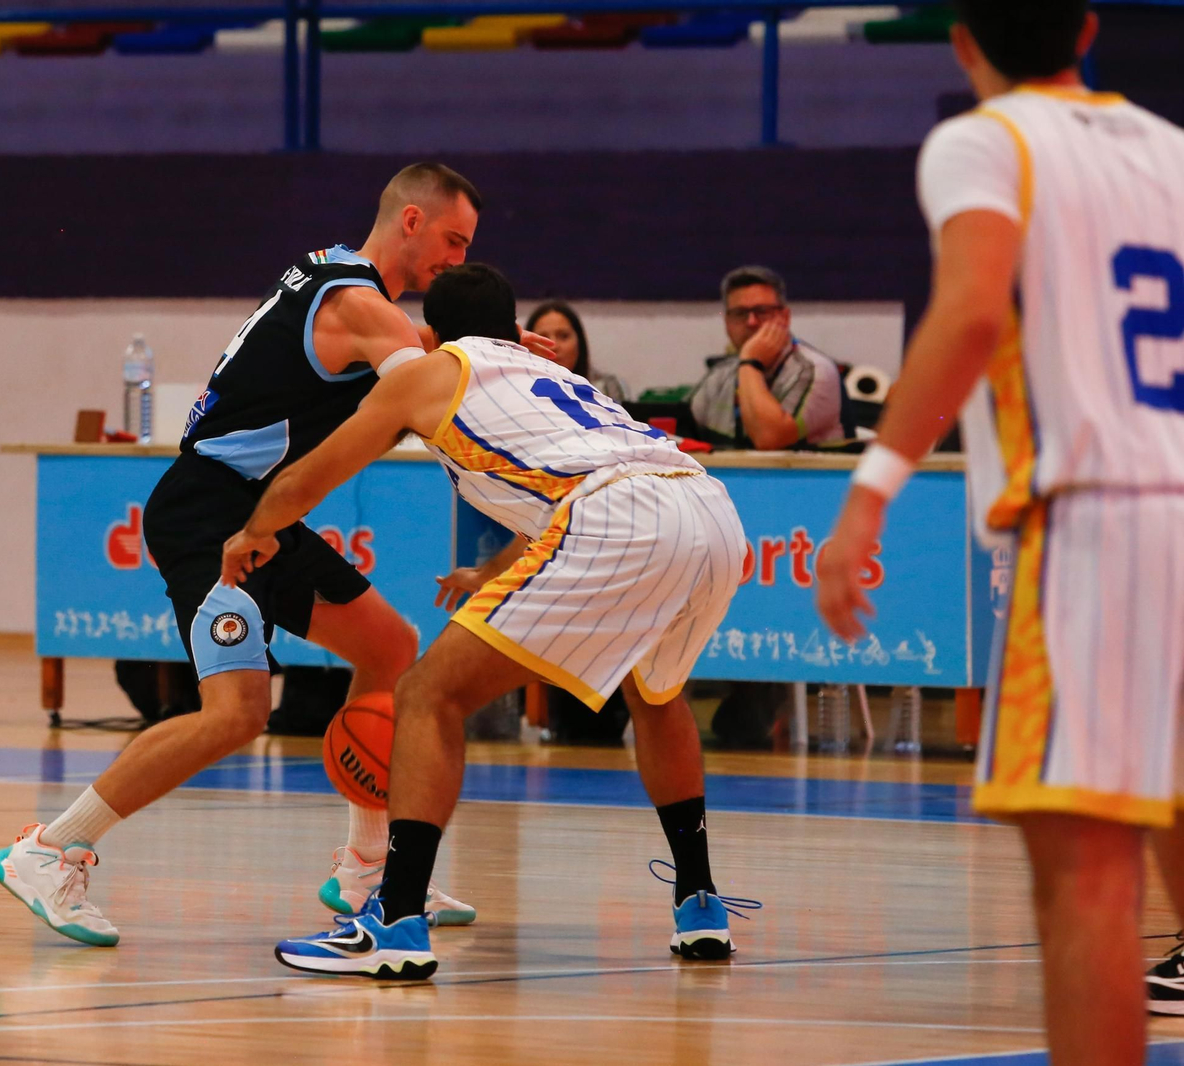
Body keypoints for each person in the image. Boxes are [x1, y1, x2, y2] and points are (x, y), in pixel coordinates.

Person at [0, 164, 558, 945]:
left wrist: (492, 347)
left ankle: (364, 867)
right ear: (413, 222)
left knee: (389, 645)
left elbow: (423, 349)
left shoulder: (343, 280)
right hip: (207, 514)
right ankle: (51, 848)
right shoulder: (362, 306)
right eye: (453, 241)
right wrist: (511, 373)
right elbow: (434, 395)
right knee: (237, 713)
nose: (456, 261)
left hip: (257, 513)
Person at [815, 2, 1184, 1061]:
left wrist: (871, 488)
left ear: (962, 38)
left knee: (1087, 879)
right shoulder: (1168, 147)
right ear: (1086, 24)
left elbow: (973, 309)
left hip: (1100, 522)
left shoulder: (985, 139)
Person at [224, 264, 758, 979]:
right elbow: (577, 483)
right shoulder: (563, 377)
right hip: (708, 510)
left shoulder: (425, 375)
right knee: (656, 696)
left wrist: (256, 528)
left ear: (434, 332)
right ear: (514, 329)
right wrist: (490, 571)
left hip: (620, 518)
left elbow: (312, 475)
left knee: (425, 696)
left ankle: (397, 919)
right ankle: (700, 906)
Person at [686, 266, 844, 450]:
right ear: (727, 322)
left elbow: (769, 440)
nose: (751, 322)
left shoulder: (815, 370)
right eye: (739, 313)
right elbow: (687, 437)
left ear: (784, 317)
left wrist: (750, 362)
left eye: (762, 311)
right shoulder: (719, 376)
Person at [525, 299, 631, 403]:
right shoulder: (519, 391)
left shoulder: (607, 388)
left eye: (563, 336)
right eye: (542, 338)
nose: (554, 346)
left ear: (579, 342)